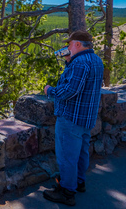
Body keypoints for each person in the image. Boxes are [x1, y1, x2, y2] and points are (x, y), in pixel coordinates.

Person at [43, 30, 104, 206]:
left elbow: (70, 91)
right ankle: (79, 182)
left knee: (67, 155)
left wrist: (50, 91)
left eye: (69, 44)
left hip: (71, 117)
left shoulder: (79, 63)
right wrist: (69, 62)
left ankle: (67, 192)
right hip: (87, 117)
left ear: (77, 44)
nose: (67, 47)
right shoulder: (96, 60)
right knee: (82, 152)